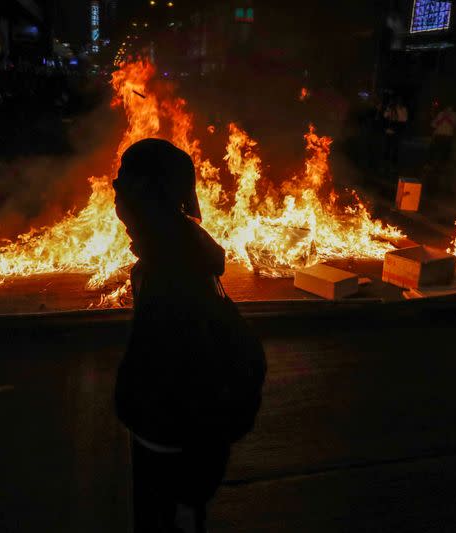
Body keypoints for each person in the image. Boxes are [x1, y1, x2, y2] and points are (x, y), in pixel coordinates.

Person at [113, 139, 265, 533]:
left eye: (122, 184)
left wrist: (190, 482)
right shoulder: (174, 248)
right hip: (175, 441)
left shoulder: (172, 271)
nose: (115, 195)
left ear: (146, 194)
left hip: (171, 447)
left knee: (165, 520)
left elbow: (177, 377)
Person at [382, 95, 408, 171]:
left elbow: (404, 119)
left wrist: (399, 114)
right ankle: (386, 161)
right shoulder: (391, 108)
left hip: (398, 127)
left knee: (395, 145)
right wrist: (388, 109)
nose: (398, 103)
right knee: (388, 145)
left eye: (399, 101)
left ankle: (393, 162)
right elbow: (385, 115)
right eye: (396, 101)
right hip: (390, 127)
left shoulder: (403, 109)